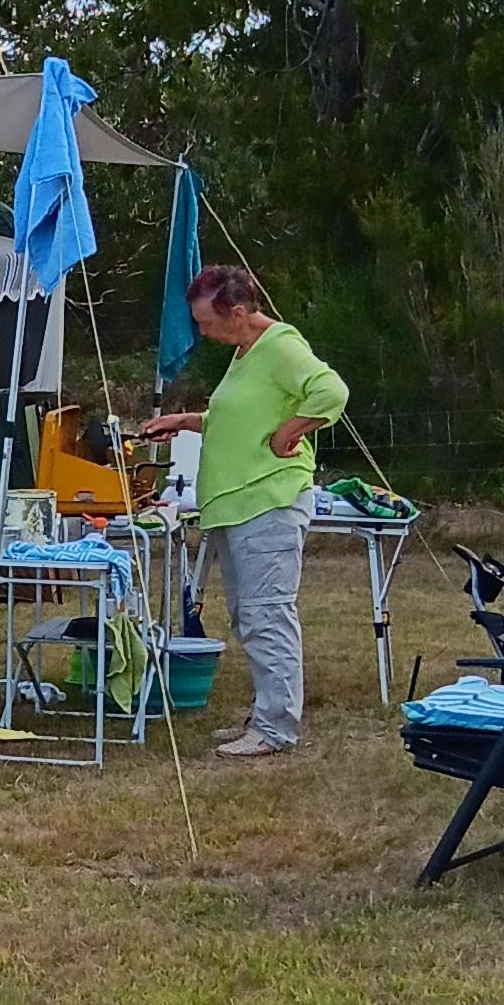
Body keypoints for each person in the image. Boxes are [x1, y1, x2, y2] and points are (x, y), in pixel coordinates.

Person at [137, 264, 348, 761]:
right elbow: (239, 415)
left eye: (208, 323)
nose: (203, 333)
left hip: (268, 502)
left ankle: (277, 728)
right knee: (248, 614)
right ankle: (267, 711)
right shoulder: (245, 352)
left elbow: (332, 392)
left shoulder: (280, 347)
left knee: (267, 613)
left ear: (237, 312)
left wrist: (290, 432)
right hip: (237, 505)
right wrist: (187, 421)